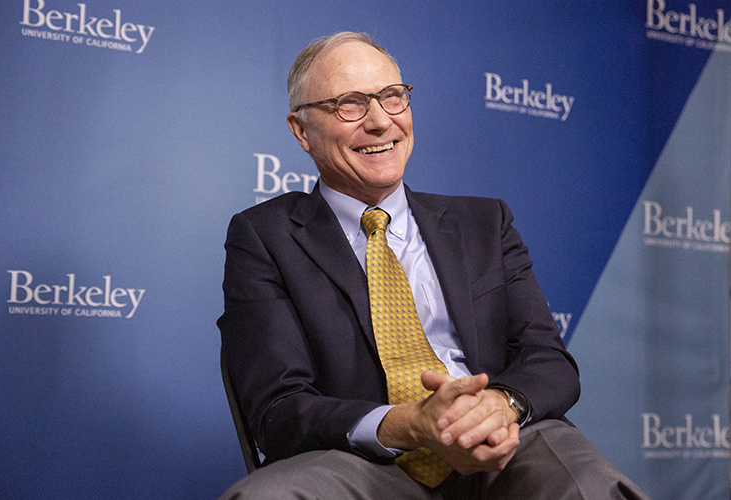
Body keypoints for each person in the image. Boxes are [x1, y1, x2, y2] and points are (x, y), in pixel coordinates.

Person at [217, 31, 649, 499]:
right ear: (301, 131)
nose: (381, 121)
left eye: (392, 97)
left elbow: (548, 360)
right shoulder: (264, 237)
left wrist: (497, 406)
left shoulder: (485, 222)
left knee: (592, 487)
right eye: (350, 104)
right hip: (367, 460)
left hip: (507, 446)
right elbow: (278, 410)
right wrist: (410, 424)